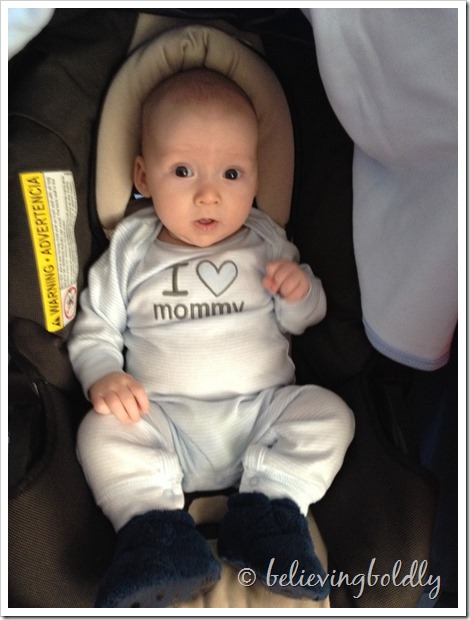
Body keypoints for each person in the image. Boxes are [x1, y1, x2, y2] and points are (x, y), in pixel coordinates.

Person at [68, 68, 355, 608]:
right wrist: (102, 374)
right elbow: (96, 327)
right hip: (161, 422)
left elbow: (305, 319)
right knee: (98, 431)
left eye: (232, 173)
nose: (208, 195)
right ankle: (154, 532)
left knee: (330, 414)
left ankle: (270, 512)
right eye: (182, 171)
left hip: (262, 416)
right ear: (143, 175)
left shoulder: (266, 240)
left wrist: (299, 291)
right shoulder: (132, 248)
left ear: (256, 176)